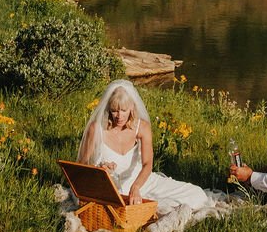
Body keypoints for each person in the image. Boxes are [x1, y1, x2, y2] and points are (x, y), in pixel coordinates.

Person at [77, 78, 209, 214]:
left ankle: (145, 207)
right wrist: (100, 171)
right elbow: (81, 164)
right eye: (114, 110)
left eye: (123, 110)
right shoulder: (96, 128)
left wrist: (135, 187)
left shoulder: (142, 127)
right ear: (108, 109)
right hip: (109, 188)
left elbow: (147, 164)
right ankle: (144, 210)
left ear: (132, 108)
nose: (119, 116)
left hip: (141, 182)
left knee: (197, 194)